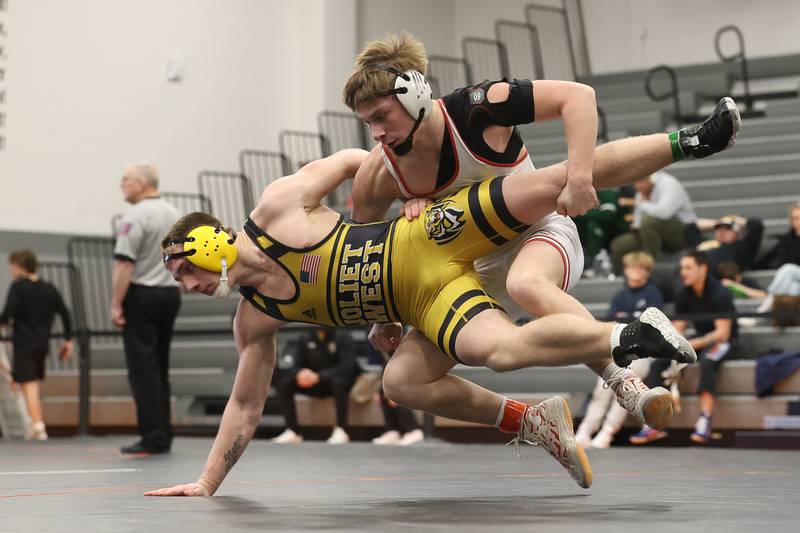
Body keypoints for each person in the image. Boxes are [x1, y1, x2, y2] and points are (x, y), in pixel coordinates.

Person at [146, 147, 698, 497]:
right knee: (418, 377)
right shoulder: (255, 318)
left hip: (427, 235)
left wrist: (408, 194)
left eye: (185, 274)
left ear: (207, 244)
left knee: (553, 185)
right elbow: (245, 405)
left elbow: (350, 160)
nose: (190, 288)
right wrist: (207, 483)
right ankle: (555, 404)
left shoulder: (276, 209)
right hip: (426, 298)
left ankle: (688, 141)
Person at [342, 33, 738, 440]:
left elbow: (577, 97)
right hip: (471, 271)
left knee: (526, 281)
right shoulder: (379, 172)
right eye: (367, 121)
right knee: (401, 381)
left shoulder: (477, 108)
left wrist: (581, 179)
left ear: (415, 97)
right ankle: (533, 422)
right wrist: (382, 315)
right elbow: (364, 250)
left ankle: (624, 380)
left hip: (540, 232)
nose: (375, 133)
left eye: (382, 116)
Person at [631, 251, 737, 445]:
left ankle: (705, 419)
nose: (683, 272)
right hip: (698, 339)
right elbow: (677, 329)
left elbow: (723, 334)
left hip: (724, 342)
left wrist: (690, 345)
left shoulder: (720, 293)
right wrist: (667, 344)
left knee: (708, 361)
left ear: (703, 268)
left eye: (688, 268)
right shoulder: (683, 292)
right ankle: (656, 423)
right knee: (658, 363)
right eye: (682, 268)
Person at [111, 162, 181, 455]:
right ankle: (163, 432)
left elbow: (125, 262)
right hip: (170, 293)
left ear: (141, 183)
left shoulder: (135, 216)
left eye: (125, 179)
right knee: (160, 367)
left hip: (142, 294)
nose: (121, 184)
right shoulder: (174, 213)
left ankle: (152, 436)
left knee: (143, 370)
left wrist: (116, 303)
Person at [575, 252, 664, 449]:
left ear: (647, 272)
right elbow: (610, 324)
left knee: (625, 389)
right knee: (602, 390)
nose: (635, 272)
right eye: (632, 267)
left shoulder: (653, 295)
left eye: (640, 268)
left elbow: (651, 327)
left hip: (642, 352)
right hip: (618, 350)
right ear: (625, 270)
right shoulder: (620, 296)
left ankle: (607, 432)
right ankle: (585, 430)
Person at [0, 249, 73, 441]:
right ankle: (34, 423)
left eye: (12, 265)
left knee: (29, 384)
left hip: (24, 342)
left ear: (19, 266)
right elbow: (65, 312)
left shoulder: (19, 287)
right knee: (30, 384)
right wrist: (68, 339)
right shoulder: (48, 287)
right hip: (42, 343)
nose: (11, 269)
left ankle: (38, 425)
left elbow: (7, 313)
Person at [271, 326, 360, 444]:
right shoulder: (305, 337)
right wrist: (301, 373)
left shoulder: (343, 336)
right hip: (314, 383)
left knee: (338, 382)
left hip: (338, 382)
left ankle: (341, 429)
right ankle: (293, 430)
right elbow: (296, 366)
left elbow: (347, 367)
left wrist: (319, 376)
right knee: (285, 383)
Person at [609, 171, 699, 273]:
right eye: (635, 183)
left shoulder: (668, 184)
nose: (637, 187)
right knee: (619, 244)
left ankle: (652, 269)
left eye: (641, 182)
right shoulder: (641, 192)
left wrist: (638, 203)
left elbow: (664, 212)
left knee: (648, 221)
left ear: (651, 179)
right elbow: (639, 220)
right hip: (651, 233)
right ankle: (623, 277)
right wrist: (635, 227)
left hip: (682, 232)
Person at [697, 215, 764, 275]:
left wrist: (735, 220)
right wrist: (718, 222)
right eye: (718, 228)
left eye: (727, 228)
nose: (722, 231)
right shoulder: (706, 244)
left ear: (738, 233)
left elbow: (756, 225)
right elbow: (690, 228)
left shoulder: (741, 248)